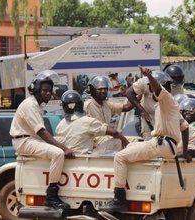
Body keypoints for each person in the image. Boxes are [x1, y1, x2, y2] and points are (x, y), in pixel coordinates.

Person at [100, 66, 191, 212]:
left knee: (120, 157)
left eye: (152, 87)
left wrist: (149, 77)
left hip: (162, 143)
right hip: (167, 145)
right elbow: (185, 127)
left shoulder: (166, 98)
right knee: (129, 148)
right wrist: (185, 152)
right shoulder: (167, 105)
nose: (151, 89)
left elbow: (158, 89)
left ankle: (119, 198)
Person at [10, 70, 74, 209]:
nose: (48, 93)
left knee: (63, 139)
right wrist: (64, 148)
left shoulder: (36, 105)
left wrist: (63, 143)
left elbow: (42, 133)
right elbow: (42, 132)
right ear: (37, 89)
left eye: (49, 91)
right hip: (23, 141)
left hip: (29, 139)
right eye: (45, 90)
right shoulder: (30, 105)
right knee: (58, 153)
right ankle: (51, 196)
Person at [56, 90, 129, 154]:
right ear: (81, 104)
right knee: (117, 141)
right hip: (85, 156)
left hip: (71, 156)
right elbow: (114, 133)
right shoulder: (87, 121)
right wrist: (125, 141)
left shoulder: (60, 125)